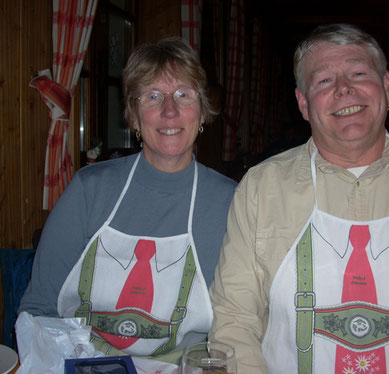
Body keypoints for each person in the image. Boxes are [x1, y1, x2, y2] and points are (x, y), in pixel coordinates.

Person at [209, 23, 389, 374]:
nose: (344, 89)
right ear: (303, 103)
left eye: (358, 73)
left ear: (386, 87)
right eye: (325, 80)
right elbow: (234, 320)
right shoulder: (260, 188)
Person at [19, 37, 237, 363]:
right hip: (82, 363)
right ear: (133, 117)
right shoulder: (88, 189)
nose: (169, 110)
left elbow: (239, 324)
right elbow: (39, 308)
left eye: (183, 94)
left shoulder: (231, 202)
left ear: (202, 112)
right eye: (152, 96)